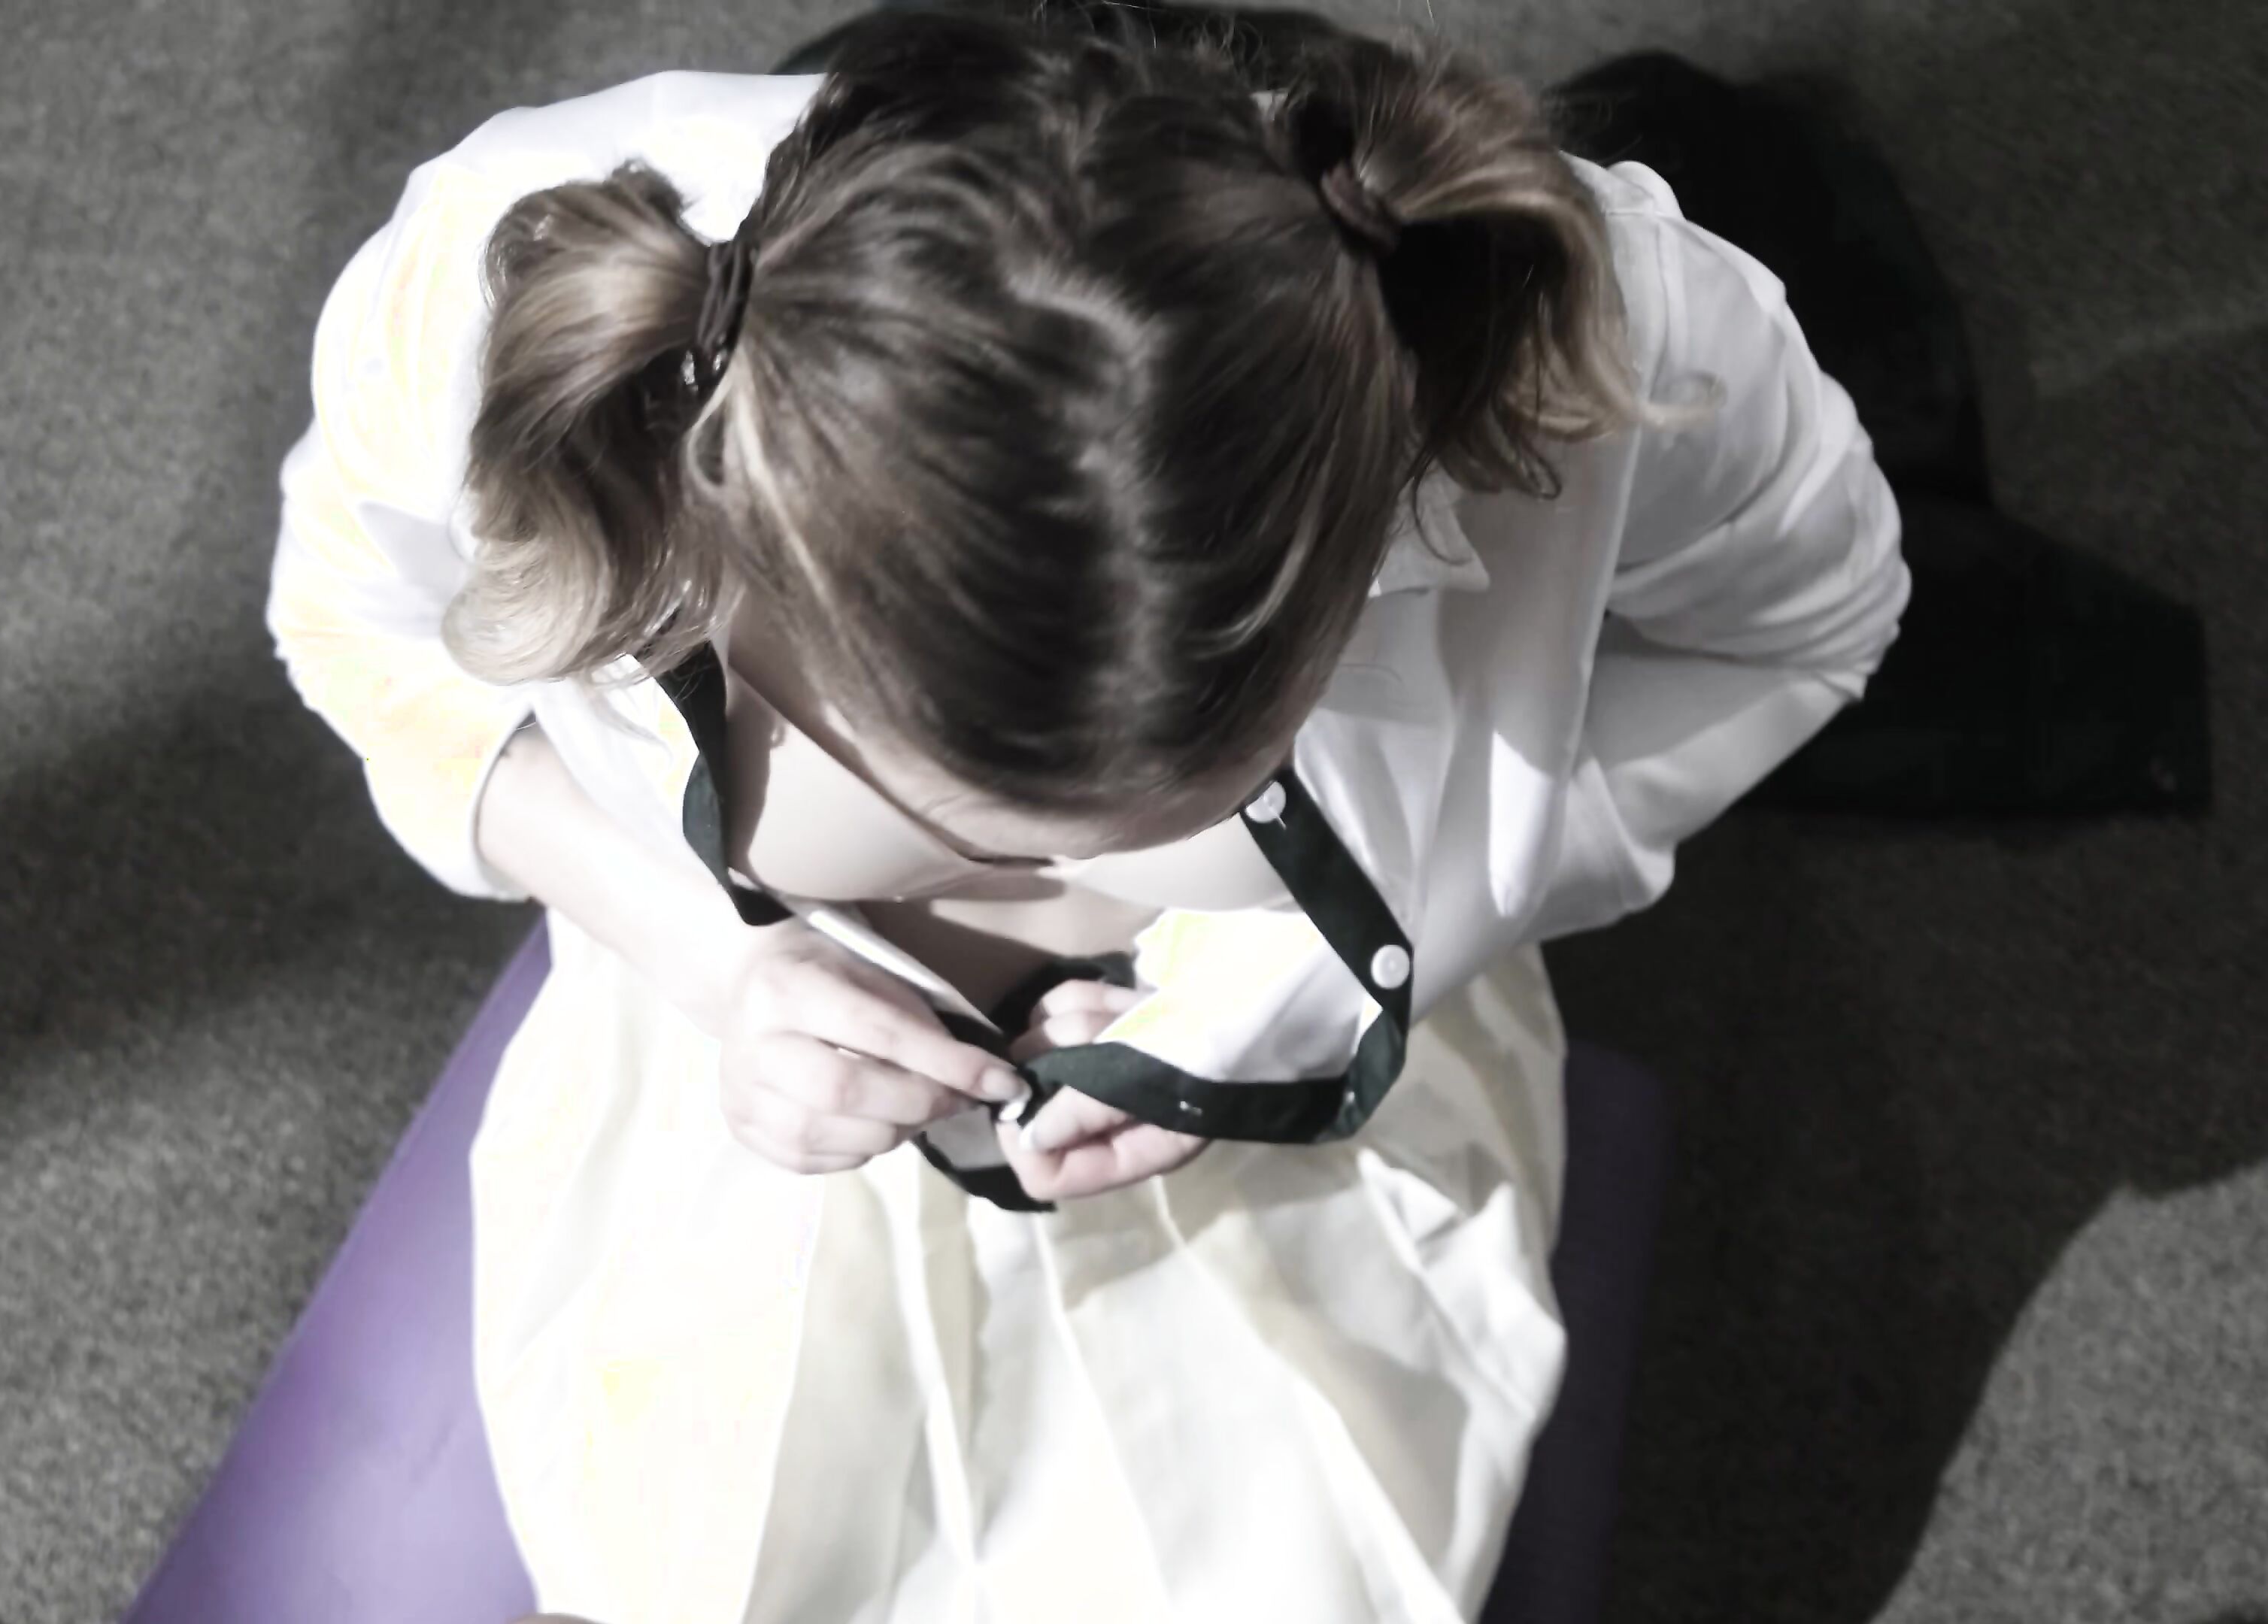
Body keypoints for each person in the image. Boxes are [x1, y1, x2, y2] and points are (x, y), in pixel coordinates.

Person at [262, 4, 1906, 1619]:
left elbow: (1808, 630)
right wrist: (717, 966)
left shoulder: (1602, 335)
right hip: (735, 1102)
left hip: (1298, 1151)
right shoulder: (523, 294)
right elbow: (355, 629)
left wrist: (1309, 987)